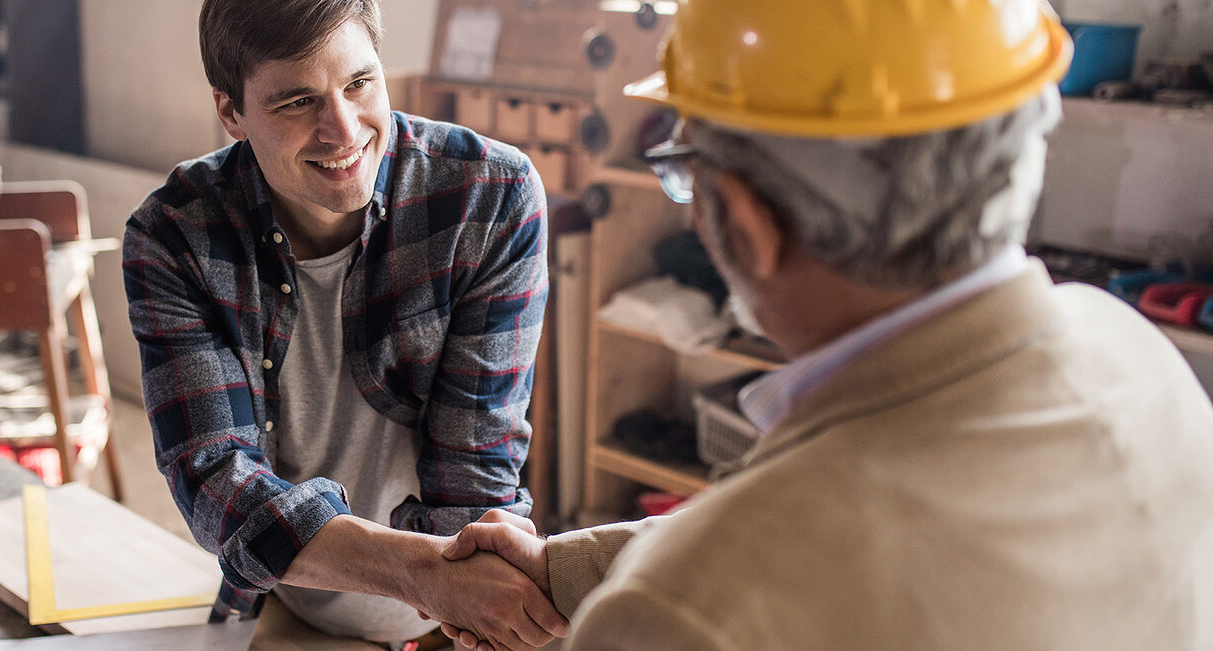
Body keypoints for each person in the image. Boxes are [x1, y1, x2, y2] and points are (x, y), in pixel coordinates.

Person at [437, 0, 1213, 648]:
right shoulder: (1140, 356)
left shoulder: (683, 618)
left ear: (746, 220)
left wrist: (649, 590)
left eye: (684, 173)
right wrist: (566, 567)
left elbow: (768, 566)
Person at [121, 0, 564, 648]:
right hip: (286, 606)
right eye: (297, 103)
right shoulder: (175, 237)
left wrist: (451, 600)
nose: (343, 129)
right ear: (230, 111)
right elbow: (216, 478)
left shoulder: (487, 196)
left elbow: (475, 474)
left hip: (450, 619)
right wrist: (421, 576)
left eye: (359, 83)